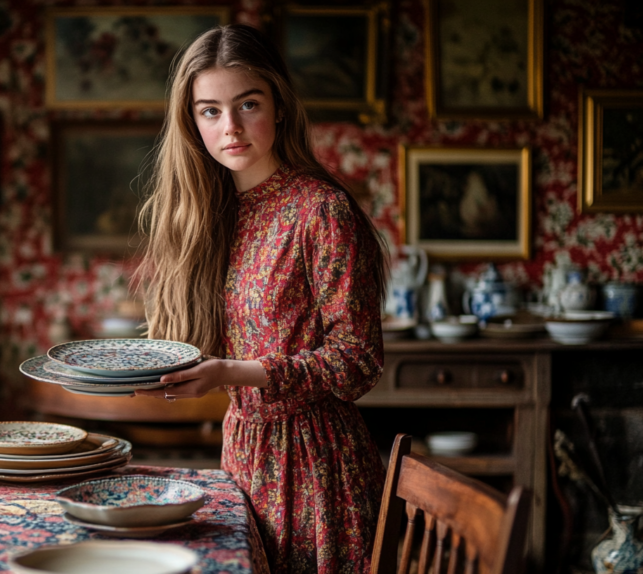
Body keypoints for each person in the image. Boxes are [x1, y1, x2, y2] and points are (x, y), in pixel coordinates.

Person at [132, 23, 389, 574]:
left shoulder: (321, 211)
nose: (230, 127)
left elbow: (358, 361)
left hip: (317, 465)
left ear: (280, 106)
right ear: (191, 122)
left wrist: (231, 372)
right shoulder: (210, 214)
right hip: (242, 454)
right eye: (210, 111)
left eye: (248, 104)